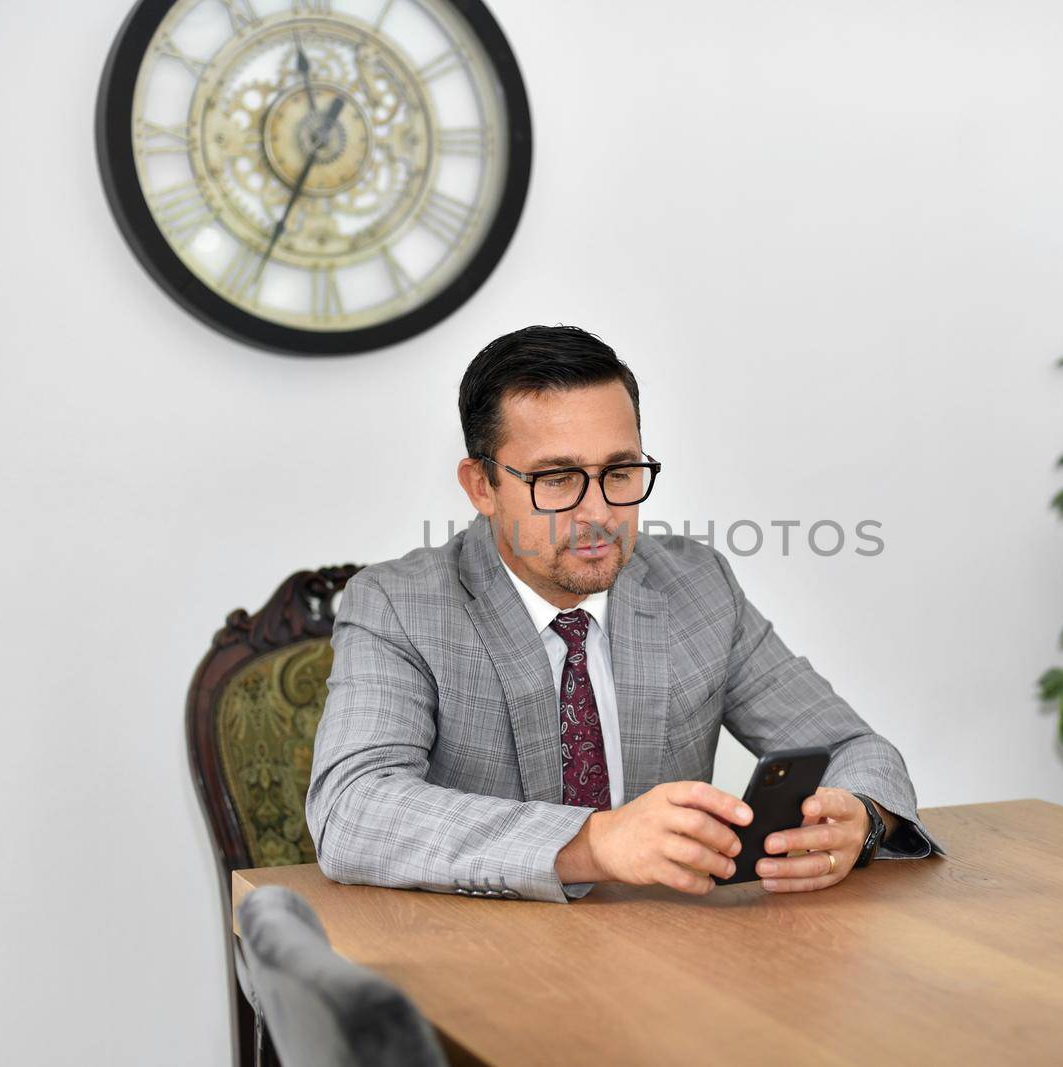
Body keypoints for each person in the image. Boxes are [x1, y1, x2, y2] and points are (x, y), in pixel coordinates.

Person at [307, 325, 943, 903]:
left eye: (619, 471)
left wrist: (860, 818)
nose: (599, 513)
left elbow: (852, 747)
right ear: (481, 486)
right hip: (482, 965)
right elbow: (353, 810)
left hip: (666, 957)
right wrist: (591, 842)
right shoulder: (397, 604)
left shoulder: (697, 586)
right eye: (556, 479)